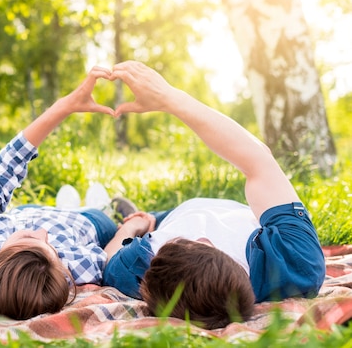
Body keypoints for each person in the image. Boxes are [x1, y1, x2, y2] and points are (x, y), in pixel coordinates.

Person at [102, 61, 326, 330]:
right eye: (206, 243)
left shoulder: (142, 265)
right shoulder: (296, 262)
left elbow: (108, 261)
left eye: (183, 241)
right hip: (238, 212)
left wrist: (133, 225)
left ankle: (132, 213)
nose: (202, 234)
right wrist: (170, 98)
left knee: (123, 223)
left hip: (169, 218)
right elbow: (257, 159)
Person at [0, 67, 154, 320]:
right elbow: (106, 257)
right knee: (100, 217)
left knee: (29, 213)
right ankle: (101, 207)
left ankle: (67, 204)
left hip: (23, 214)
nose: (44, 233)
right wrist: (131, 228)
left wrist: (64, 107)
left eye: (30, 238)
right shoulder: (68, 269)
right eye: (50, 248)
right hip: (85, 225)